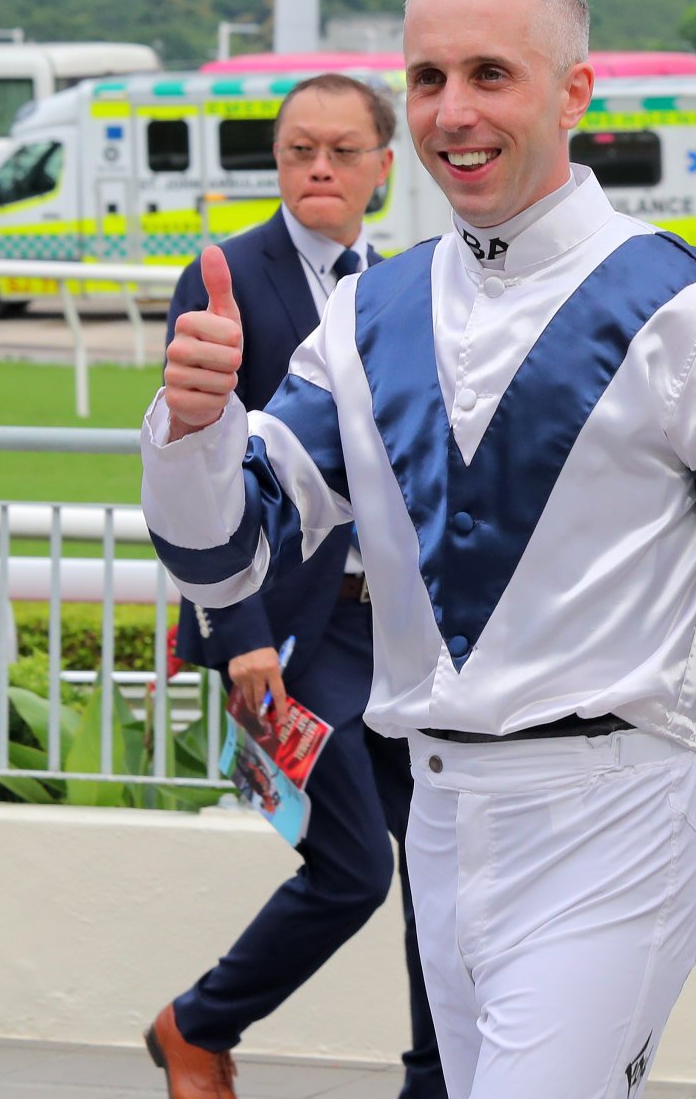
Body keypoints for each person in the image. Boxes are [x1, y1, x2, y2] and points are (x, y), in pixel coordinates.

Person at [141, 0, 696, 1099]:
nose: (453, 113)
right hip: (440, 828)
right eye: (427, 79)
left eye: (489, 75)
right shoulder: (370, 315)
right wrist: (196, 425)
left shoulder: (687, 313)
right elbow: (231, 546)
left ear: (574, 90)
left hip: (606, 826)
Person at [145, 74, 444, 1099]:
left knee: (441, 874)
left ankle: (435, 1080)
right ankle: (197, 1025)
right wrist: (239, 637)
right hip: (285, 640)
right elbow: (198, 474)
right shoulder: (225, 279)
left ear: (381, 170)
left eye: (342, 152)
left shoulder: (405, 285)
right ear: (277, 164)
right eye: (298, 151)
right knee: (355, 868)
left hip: (398, 639)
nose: (319, 168)